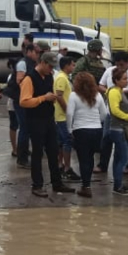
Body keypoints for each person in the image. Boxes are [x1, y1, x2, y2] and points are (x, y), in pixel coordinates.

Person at [20, 52, 76, 198]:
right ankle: (37, 185)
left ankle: (57, 182)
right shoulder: (29, 79)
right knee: (38, 153)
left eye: (53, 67)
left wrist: (51, 99)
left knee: (53, 150)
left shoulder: (49, 76)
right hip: (35, 120)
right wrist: (43, 98)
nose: (51, 69)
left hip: (49, 118)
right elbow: (24, 101)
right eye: (50, 66)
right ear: (42, 63)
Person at [66, 71, 108, 198]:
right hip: (96, 130)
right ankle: (87, 184)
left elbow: (69, 114)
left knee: (83, 159)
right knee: (90, 159)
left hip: (81, 130)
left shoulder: (74, 96)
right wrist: (97, 123)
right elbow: (105, 114)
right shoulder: (98, 95)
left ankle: (86, 186)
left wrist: (69, 129)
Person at [5, 42, 40, 166]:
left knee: (27, 127)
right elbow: (20, 80)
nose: (38, 55)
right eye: (37, 52)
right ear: (29, 52)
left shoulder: (32, 63)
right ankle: (21, 158)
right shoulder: (22, 63)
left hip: (27, 99)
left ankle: (24, 152)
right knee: (24, 127)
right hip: (20, 100)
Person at [107, 68, 128, 196]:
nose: (127, 81)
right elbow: (114, 110)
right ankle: (118, 186)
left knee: (118, 158)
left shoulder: (120, 91)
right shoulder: (114, 92)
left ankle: (117, 185)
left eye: (127, 78)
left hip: (121, 129)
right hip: (117, 129)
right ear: (116, 80)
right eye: (124, 79)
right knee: (125, 157)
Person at [53, 56, 79, 181]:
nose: (73, 67)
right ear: (66, 65)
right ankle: (67, 168)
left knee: (61, 141)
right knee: (67, 140)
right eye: (72, 65)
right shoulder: (62, 78)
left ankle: (60, 165)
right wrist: (67, 111)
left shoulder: (63, 77)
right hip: (62, 116)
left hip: (61, 116)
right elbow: (59, 96)